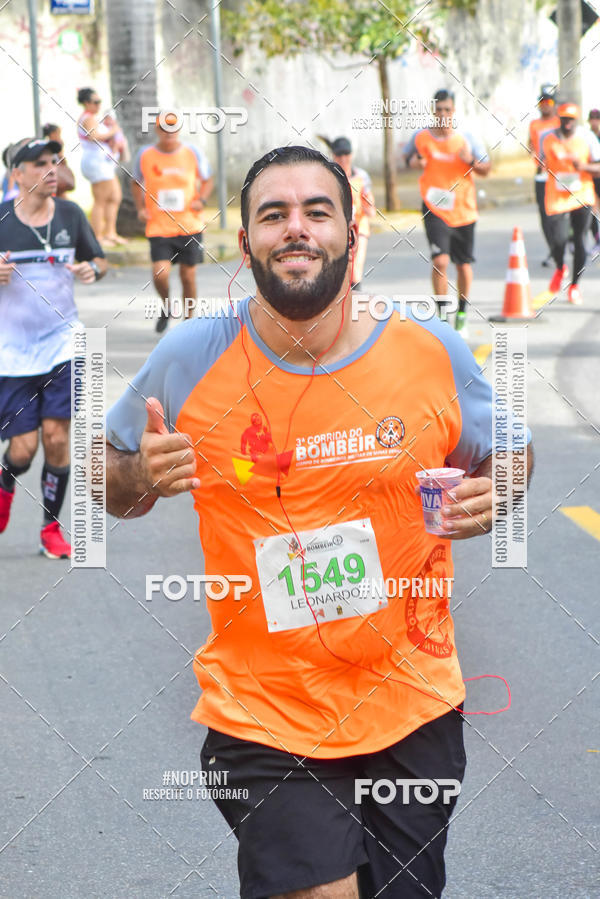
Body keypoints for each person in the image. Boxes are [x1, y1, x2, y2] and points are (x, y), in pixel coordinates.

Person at [105, 145, 534, 899]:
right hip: (263, 708)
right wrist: (141, 473)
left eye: (316, 211)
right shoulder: (191, 355)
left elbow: (511, 452)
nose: (295, 229)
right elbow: (108, 484)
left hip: (411, 700)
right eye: (273, 215)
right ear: (245, 243)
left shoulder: (428, 349)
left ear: (350, 233)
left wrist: (498, 490)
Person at [0, 137, 107, 557]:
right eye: (40, 163)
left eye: (55, 161)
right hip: (12, 351)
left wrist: (90, 269)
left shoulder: (70, 214)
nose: (52, 170)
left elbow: (99, 261)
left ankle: (51, 529)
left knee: (57, 437)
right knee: (23, 448)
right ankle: (7, 480)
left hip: (64, 343)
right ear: (18, 174)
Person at [404, 89, 491, 339]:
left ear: (454, 112)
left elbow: (487, 168)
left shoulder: (466, 138)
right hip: (434, 207)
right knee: (440, 261)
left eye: (447, 110)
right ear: (434, 111)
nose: (443, 114)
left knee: (462, 265)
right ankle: (443, 317)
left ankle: (461, 313)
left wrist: (471, 161)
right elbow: (408, 157)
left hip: (463, 209)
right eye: (439, 109)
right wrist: (413, 163)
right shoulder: (421, 136)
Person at [131, 114, 213, 333]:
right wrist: (140, 208)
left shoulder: (192, 153)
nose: (169, 133)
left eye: (173, 128)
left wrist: (201, 200)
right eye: (164, 129)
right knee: (161, 273)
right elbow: (136, 182)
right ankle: (167, 305)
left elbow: (207, 179)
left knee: (188, 276)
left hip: (189, 224)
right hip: (159, 225)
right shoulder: (145, 155)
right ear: (157, 130)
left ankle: (188, 322)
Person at [540, 101, 600, 305]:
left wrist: (583, 165)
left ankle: (574, 285)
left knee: (579, 240)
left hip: (581, 194)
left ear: (577, 120)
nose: (567, 123)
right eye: (564, 118)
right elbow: (541, 161)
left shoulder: (587, 138)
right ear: (559, 118)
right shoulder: (546, 138)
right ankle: (560, 266)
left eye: (571, 119)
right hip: (556, 196)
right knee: (557, 239)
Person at [321, 136, 376, 289]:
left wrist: (369, 206)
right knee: (339, 271)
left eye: (346, 154)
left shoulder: (361, 176)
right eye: (339, 155)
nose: (343, 158)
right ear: (333, 155)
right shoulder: (328, 177)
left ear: (351, 155)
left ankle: (355, 308)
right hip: (336, 229)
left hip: (359, 227)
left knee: (355, 271)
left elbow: (369, 203)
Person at [77, 87, 126, 247]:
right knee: (101, 200)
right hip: (96, 164)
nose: (98, 105)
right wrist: (113, 131)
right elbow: (94, 137)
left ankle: (110, 233)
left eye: (99, 102)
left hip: (104, 164)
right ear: (86, 103)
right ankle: (97, 237)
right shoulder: (88, 118)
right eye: (95, 102)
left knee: (114, 197)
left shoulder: (92, 117)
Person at [528, 84, 560, 263]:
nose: (544, 105)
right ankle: (554, 249)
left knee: (560, 212)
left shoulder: (560, 122)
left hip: (559, 173)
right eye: (541, 101)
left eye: (548, 101)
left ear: (554, 103)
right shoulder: (534, 124)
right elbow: (530, 145)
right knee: (544, 214)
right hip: (541, 173)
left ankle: (565, 241)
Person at [42, 124, 76, 198]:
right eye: (58, 133)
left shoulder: (45, 144)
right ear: (52, 134)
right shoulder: (54, 145)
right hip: (55, 175)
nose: (59, 136)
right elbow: (61, 159)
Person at [587, 108, 600, 252]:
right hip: (591, 178)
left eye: (597, 118)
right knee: (591, 209)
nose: (595, 121)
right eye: (593, 118)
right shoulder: (587, 137)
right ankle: (597, 239)